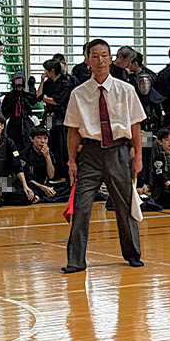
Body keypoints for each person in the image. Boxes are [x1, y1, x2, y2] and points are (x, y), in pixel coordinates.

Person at [62, 38, 145, 274]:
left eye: (105, 55)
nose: (100, 60)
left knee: (124, 204)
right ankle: (75, 261)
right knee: (81, 206)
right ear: (87, 60)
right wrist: (71, 161)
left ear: (111, 59)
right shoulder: (79, 93)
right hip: (90, 153)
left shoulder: (126, 90)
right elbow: (73, 130)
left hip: (119, 152)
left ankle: (132, 254)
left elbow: (136, 126)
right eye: (95, 56)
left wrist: (137, 157)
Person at [36, 58, 73, 179]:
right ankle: (51, 172)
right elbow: (38, 96)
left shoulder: (65, 82)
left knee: (61, 144)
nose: (45, 72)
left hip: (61, 116)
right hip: (50, 115)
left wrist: (45, 99)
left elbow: (59, 101)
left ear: (52, 71)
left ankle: (63, 173)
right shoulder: (48, 83)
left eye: (46, 70)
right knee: (49, 139)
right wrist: (41, 82)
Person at [21, 126, 69, 202]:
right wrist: (43, 187)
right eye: (39, 138)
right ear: (32, 139)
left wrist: (47, 157)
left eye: (45, 138)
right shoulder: (25, 154)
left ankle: (41, 198)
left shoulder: (49, 153)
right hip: (32, 184)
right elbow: (27, 179)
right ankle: (43, 197)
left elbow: (51, 175)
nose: (42, 141)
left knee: (68, 187)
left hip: (46, 184)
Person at [0, 72, 37, 151]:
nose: (19, 83)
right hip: (14, 123)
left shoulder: (27, 96)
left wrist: (32, 86)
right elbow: (4, 110)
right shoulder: (9, 96)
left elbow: (33, 100)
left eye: (21, 81)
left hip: (26, 122)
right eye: (17, 81)